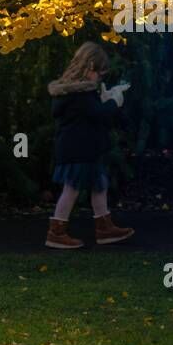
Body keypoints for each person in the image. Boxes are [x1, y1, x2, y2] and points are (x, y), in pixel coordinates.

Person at [46, 40, 134, 249]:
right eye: (101, 73)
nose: (101, 77)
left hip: (84, 149)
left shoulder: (74, 92)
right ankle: (56, 232)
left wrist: (103, 98)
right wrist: (114, 101)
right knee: (72, 189)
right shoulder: (81, 93)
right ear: (92, 68)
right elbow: (99, 115)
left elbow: (91, 113)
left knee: (98, 185)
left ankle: (104, 227)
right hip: (79, 150)